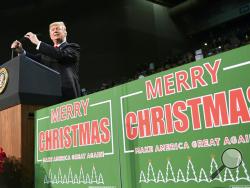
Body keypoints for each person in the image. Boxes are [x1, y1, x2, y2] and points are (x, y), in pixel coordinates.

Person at [11, 21, 81, 102]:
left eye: (58, 28)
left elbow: (60, 55)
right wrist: (21, 51)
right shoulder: (46, 54)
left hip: (68, 95)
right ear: (50, 35)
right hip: (50, 95)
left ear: (65, 32)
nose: (55, 31)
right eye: (52, 30)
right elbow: (32, 61)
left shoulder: (73, 47)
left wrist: (37, 42)